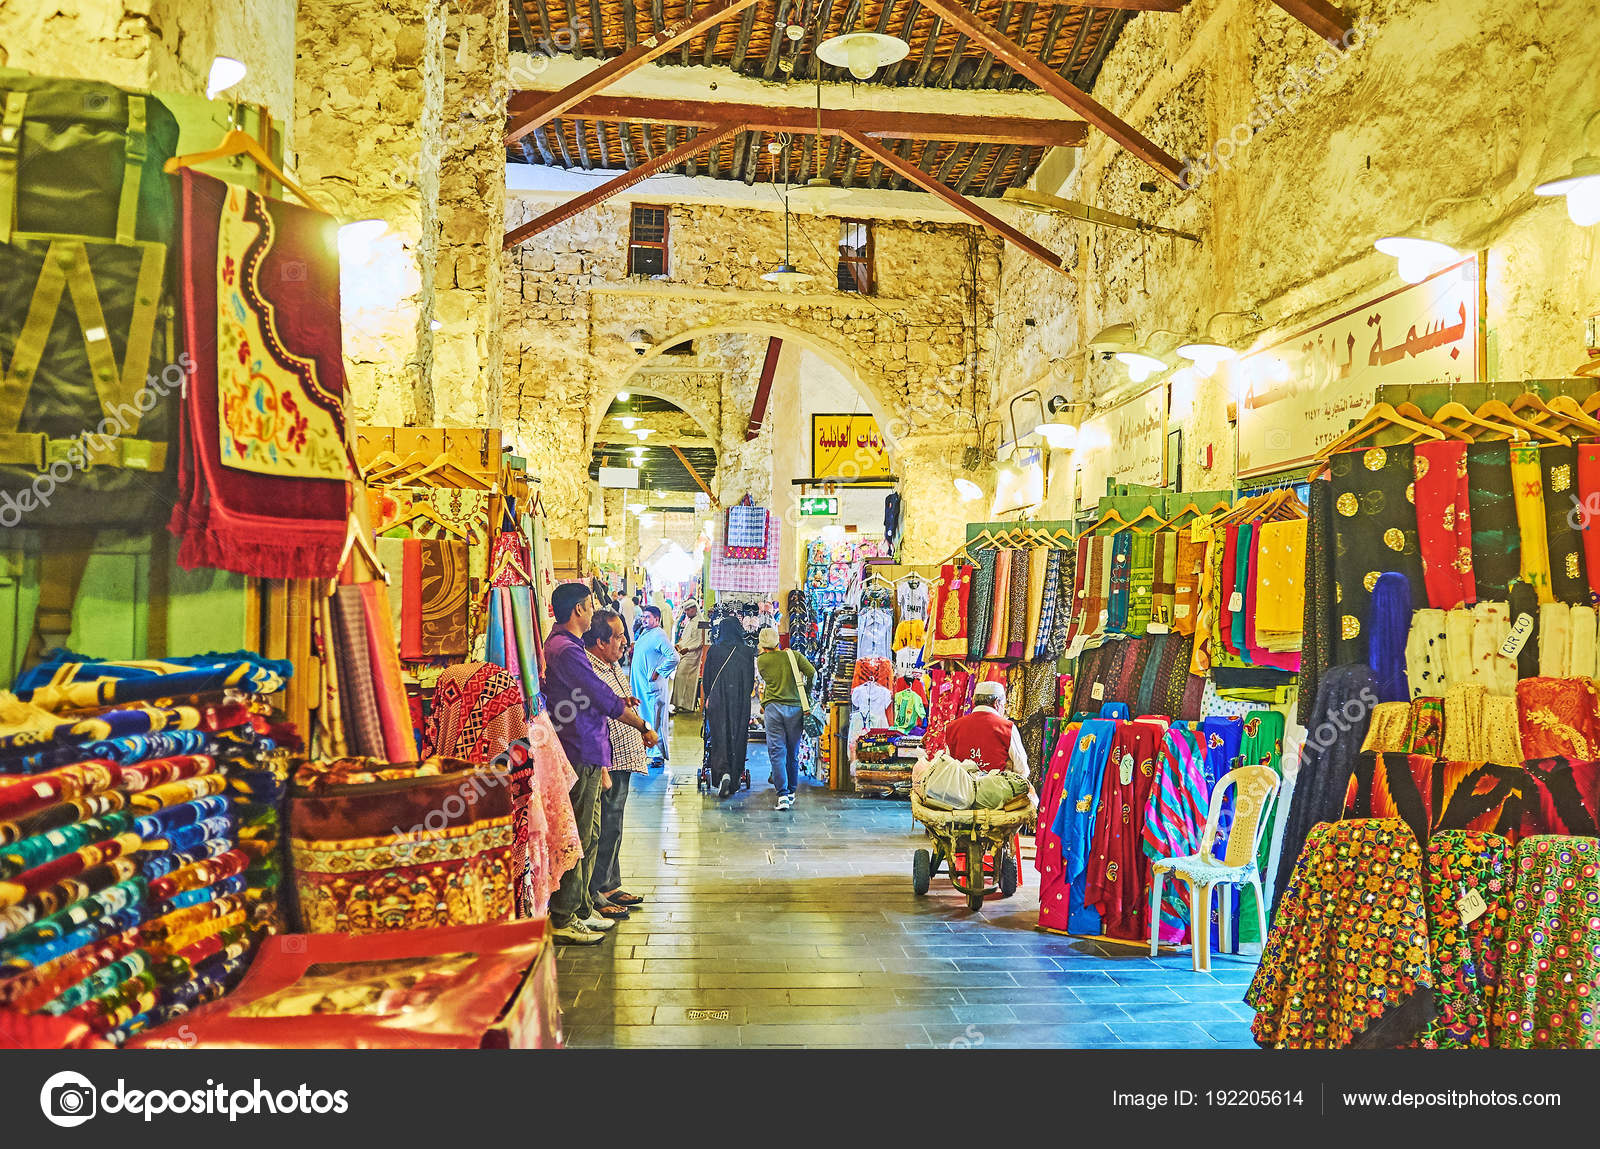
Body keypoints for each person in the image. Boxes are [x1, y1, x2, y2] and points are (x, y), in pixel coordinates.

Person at [543, 582, 658, 944]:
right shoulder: (566, 650)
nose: (592, 611)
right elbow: (599, 695)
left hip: (588, 746)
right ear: (578, 609)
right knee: (579, 833)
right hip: (578, 747)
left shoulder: (567, 647)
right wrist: (640, 725)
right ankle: (565, 915)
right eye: (590, 605)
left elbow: (597, 694)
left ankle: (579, 907)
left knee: (590, 832)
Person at [584, 608, 649, 920]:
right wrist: (642, 727)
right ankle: (596, 891)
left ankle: (610, 884)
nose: (625, 641)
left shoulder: (609, 664)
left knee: (614, 824)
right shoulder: (592, 670)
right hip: (608, 758)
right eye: (618, 636)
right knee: (604, 826)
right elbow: (601, 713)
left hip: (621, 757)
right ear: (600, 641)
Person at [755, 627, 817, 810]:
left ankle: (782, 795)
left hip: (773, 709)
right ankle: (791, 792)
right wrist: (805, 692)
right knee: (792, 752)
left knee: (777, 752)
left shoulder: (762, 661)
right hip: (796, 708)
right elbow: (812, 673)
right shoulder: (794, 656)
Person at [702, 617, 756, 798]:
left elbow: (707, 678)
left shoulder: (714, 650)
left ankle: (722, 773)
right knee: (738, 736)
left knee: (719, 735)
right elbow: (750, 681)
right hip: (740, 700)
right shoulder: (747, 652)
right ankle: (734, 777)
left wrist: (708, 697)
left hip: (717, 699)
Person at [941, 680, 1029, 778]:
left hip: (959, 790)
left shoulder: (953, 726)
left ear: (974, 701)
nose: (1004, 709)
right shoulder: (1006, 728)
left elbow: (948, 764)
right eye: (1004, 705)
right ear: (996, 703)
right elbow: (1022, 770)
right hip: (996, 791)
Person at [629, 606, 679, 765]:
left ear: (657, 620)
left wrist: (659, 671)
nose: (644, 619)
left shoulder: (659, 635)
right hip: (642, 687)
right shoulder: (645, 633)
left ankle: (658, 755)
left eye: (648, 617)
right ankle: (647, 749)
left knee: (656, 719)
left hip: (652, 688)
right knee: (645, 718)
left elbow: (674, 657)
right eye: (643, 616)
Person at [671, 601, 707, 714]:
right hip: (684, 654)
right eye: (685, 610)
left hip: (692, 656)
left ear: (694, 609)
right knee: (680, 678)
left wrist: (688, 649)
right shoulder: (689, 622)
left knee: (687, 680)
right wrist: (679, 645)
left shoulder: (702, 622)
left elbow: (701, 642)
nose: (686, 612)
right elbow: (685, 638)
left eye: (688, 610)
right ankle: (679, 704)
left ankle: (687, 706)